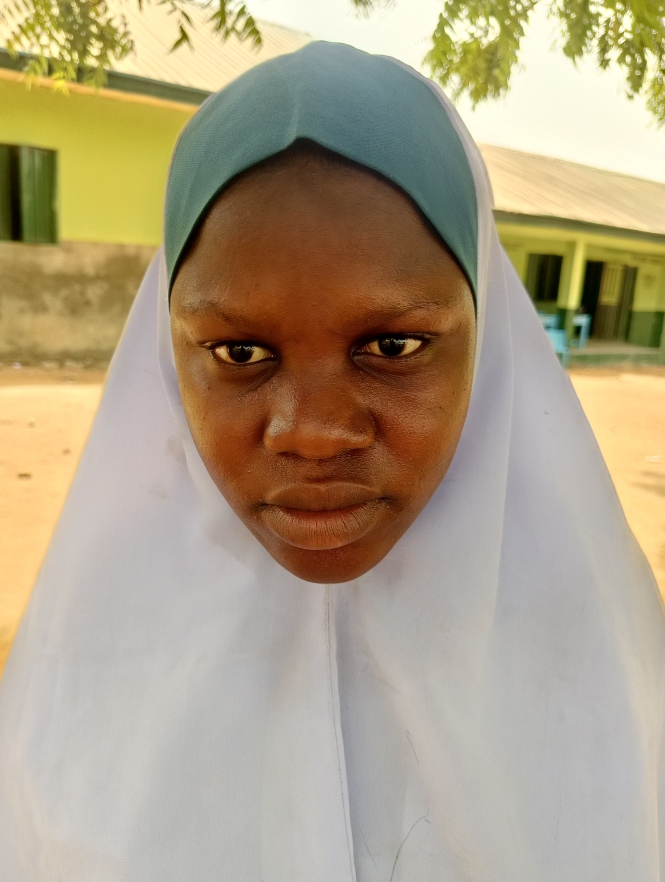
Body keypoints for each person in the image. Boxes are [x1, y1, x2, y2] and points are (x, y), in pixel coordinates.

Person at [0, 41, 663, 882]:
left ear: (485, 341)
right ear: (169, 355)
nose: (311, 433)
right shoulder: (94, 647)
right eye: (239, 353)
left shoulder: (591, 655)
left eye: (392, 346)